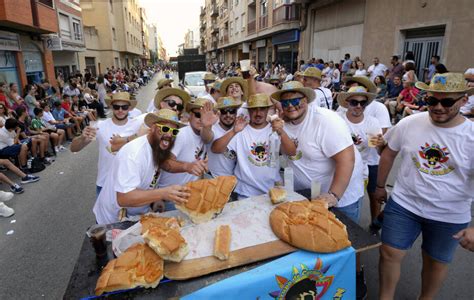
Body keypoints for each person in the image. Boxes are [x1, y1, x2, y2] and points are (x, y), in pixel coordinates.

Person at [374, 73, 474, 299]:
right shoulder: (410, 123)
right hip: (405, 204)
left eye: (447, 102)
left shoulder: (471, 136)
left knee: (435, 262)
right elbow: (389, 152)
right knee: (389, 252)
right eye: (431, 101)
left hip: (449, 214)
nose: (438, 107)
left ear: (463, 101)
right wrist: (380, 186)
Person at [271, 81, 366, 297]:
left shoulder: (325, 121)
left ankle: (356, 274)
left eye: (296, 100)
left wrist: (333, 196)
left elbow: (346, 160)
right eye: (286, 102)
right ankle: (325, 285)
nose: (291, 105)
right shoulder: (282, 121)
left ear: (306, 100)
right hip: (311, 194)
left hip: (341, 191)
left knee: (348, 242)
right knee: (319, 242)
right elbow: (292, 152)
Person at [93, 109, 189, 225]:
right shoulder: (134, 154)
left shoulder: (158, 148)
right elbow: (124, 198)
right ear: (153, 128)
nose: (169, 135)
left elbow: (150, 177)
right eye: (164, 129)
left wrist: (156, 200)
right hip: (113, 220)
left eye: (174, 132)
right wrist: (163, 193)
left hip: (136, 215)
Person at [212, 94, 296, 199]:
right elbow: (215, 149)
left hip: (273, 191)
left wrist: (281, 132)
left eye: (262, 109)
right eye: (254, 109)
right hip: (246, 192)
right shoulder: (240, 130)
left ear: (267, 110)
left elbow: (291, 152)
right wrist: (234, 131)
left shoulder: (275, 129)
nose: (258, 113)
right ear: (249, 111)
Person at [70, 92, 143, 197]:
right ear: (111, 107)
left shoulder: (137, 125)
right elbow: (74, 149)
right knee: (104, 214)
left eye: (124, 107)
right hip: (105, 183)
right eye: (116, 107)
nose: (120, 110)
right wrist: (82, 138)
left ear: (130, 108)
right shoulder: (99, 125)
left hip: (130, 183)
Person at [157, 98, 211, 210]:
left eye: (205, 116)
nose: (202, 119)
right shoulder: (181, 134)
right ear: (189, 116)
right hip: (171, 198)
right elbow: (164, 162)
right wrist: (187, 166)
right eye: (198, 115)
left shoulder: (204, 135)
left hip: (188, 196)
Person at [201, 96, 241, 177]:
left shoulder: (239, 129)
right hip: (212, 178)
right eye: (224, 111)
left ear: (236, 113)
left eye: (232, 111)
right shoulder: (212, 128)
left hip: (233, 181)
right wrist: (206, 126)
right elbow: (206, 138)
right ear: (219, 113)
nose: (228, 115)